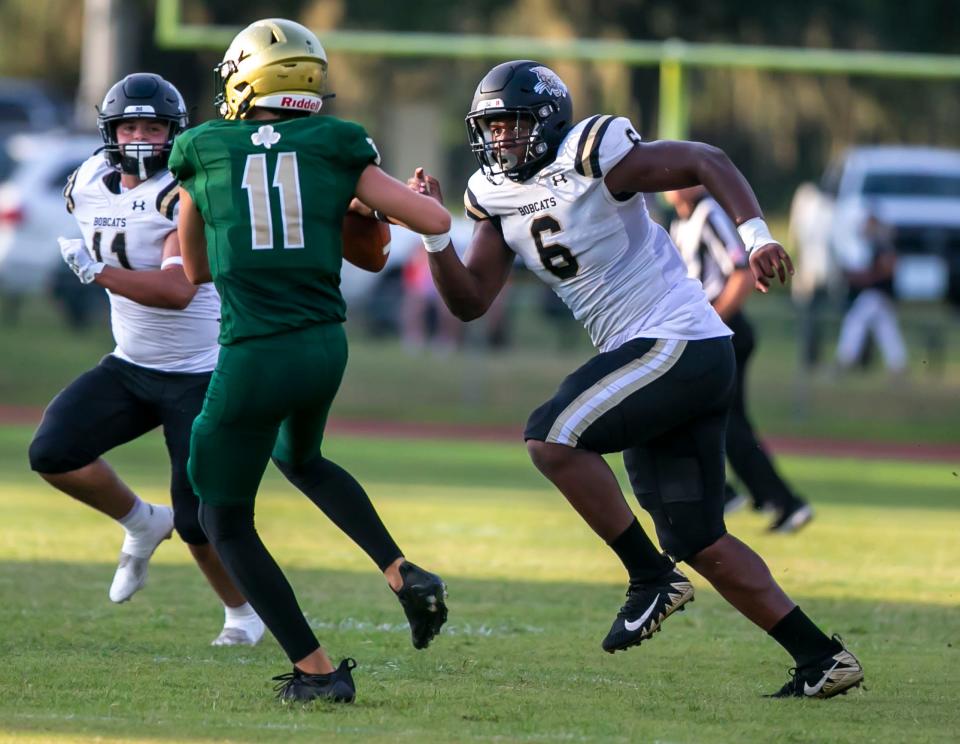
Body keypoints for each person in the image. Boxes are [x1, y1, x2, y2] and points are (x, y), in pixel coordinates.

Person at [410, 60, 863, 698]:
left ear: (545, 121)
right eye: (492, 127)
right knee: (699, 539)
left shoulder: (593, 152)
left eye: (512, 124)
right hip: (663, 355)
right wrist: (434, 236)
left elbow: (708, 160)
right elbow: (469, 303)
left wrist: (756, 237)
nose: (502, 139)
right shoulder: (490, 193)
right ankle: (822, 659)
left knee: (551, 435)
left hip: (677, 339)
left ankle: (649, 577)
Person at [168, 19, 451, 705]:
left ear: (246, 80)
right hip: (324, 346)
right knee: (301, 458)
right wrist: (385, 201)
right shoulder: (336, 143)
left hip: (254, 353)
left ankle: (317, 670)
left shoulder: (203, 148)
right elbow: (432, 224)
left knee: (221, 519)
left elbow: (196, 269)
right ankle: (401, 571)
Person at [27, 73, 265, 646]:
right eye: (129, 125)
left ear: (173, 134)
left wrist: (97, 272)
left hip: (199, 372)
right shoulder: (84, 180)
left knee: (198, 519)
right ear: (109, 131)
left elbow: (178, 289)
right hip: (132, 364)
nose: (140, 137)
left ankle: (242, 615)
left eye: (153, 127)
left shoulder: (181, 193)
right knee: (53, 451)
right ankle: (139, 520)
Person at [666, 185, 813, 533]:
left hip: (724, 330)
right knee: (712, 418)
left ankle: (764, 499)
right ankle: (762, 498)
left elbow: (742, 272)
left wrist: (713, 320)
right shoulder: (679, 222)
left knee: (717, 419)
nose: (669, 186)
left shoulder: (709, 214)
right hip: (707, 330)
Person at [834, 210, 907, 375]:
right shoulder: (875, 245)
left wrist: (857, 277)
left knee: (855, 321)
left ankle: (845, 359)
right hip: (879, 295)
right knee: (886, 329)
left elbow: (883, 271)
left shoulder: (883, 245)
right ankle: (898, 365)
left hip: (878, 295)